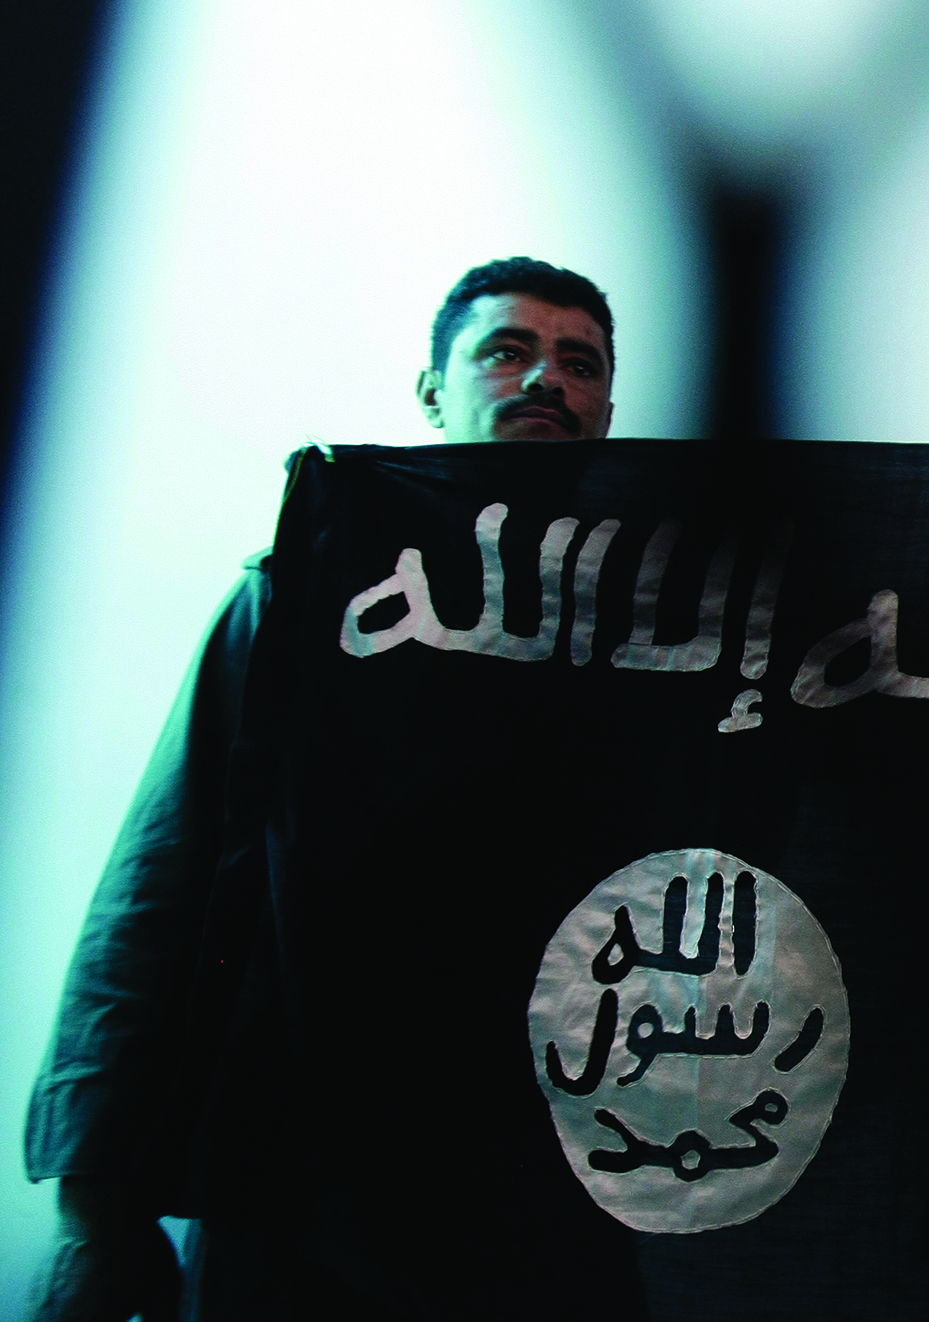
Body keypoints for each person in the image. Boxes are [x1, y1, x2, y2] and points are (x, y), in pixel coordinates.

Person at [24, 256, 620, 1322]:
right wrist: (94, 1208)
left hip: (553, 1188)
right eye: (507, 350)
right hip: (296, 1177)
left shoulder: (672, 639)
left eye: (579, 363)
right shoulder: (307, 592)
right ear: (433, 391)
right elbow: (162, 882)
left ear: (607, 415)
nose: (546, 379)